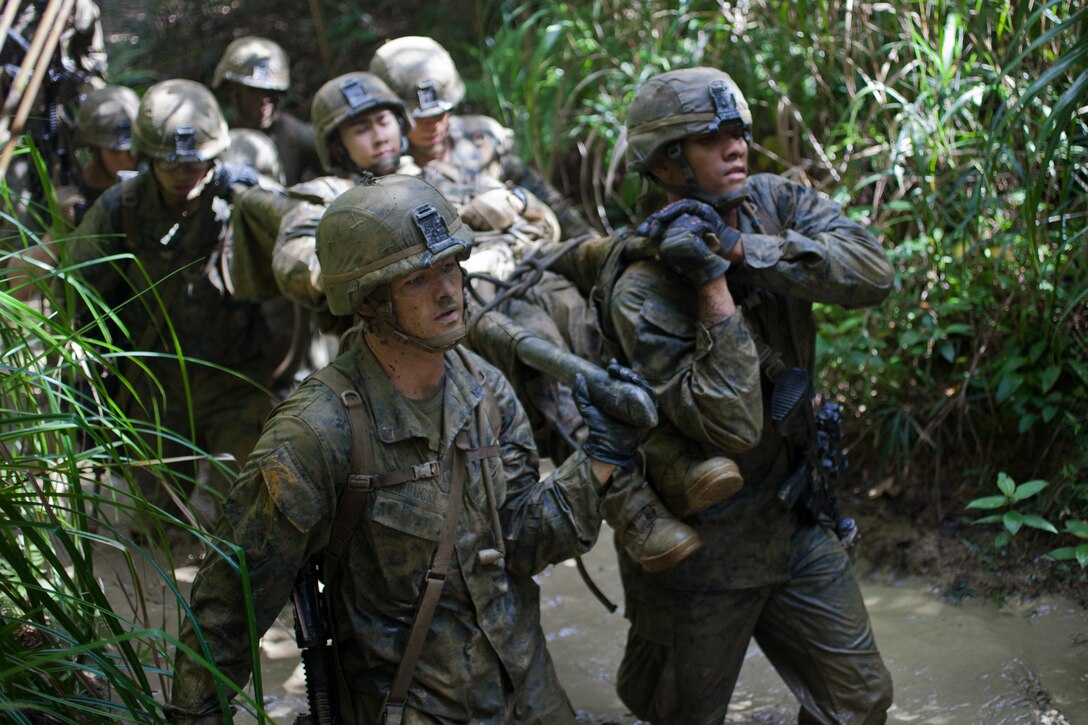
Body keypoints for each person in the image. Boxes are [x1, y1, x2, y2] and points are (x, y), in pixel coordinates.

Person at [167, 174, 652, 723]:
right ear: (369, 301)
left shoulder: (485, 390)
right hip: (410, 708)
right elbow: (227, 613)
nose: (448, 291)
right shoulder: (316, 434)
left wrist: (602, 458)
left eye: (450, 266)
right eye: (418, 280)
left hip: (528, 693)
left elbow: (521, 540)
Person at [547, 66, 895, 722]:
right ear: (668, 162)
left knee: (860, 699)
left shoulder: (774, 202)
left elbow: (874, 271)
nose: (736, 146)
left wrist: (742, 250)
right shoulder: (642, 287)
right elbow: (730, 420)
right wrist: (711, 287)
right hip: (701, 544)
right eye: (711, 138)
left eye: (738, 131)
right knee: (683, 713)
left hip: (795, 516)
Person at [64, 79, 280, 533]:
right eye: (169, 163)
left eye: (196, 161)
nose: (184, 174)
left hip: (234, 374)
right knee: (159, 521)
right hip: (154, 382)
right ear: (147, 157)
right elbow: (76, 286)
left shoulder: (241, 197)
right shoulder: (121, 205)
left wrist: (264, 200)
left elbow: (297, 253)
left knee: (247, 511)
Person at [369, 35, 590, 238]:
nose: (432, 125)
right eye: (417, 118)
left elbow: (550, 201)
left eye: (440, 113)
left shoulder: (481, 140)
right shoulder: (382, 167)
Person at [211, 36, 321, 185]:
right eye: (253, 90)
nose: (264, 99)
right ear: (233, 91)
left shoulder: (294, 134)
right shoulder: (216, 136)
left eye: (271, 91)